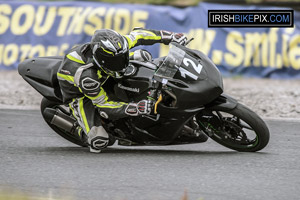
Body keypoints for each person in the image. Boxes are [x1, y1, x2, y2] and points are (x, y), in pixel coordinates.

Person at [57, 28, 187, 153]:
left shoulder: (119, 46)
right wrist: (134, 108)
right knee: (99, 141)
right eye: (115, 62)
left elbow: (140, 35)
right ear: (102, 60)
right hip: (79, 93)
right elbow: (103, 105)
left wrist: (170, 36)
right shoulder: (88, 78)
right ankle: (80, 131)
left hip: (102, 71)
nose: (120, 64)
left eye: (122, 57)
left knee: (142, 55)